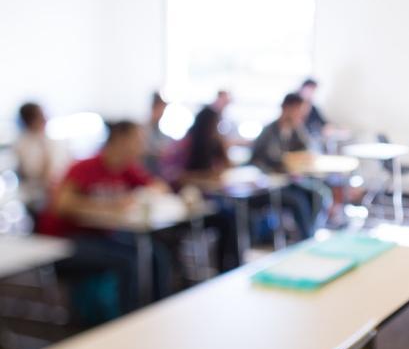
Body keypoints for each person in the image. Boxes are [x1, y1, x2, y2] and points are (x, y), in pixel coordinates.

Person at [38, 120, 174, 316]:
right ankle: (129, 320)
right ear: (120, 139)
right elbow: (61, 205)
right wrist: (108, 205)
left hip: (100, 235)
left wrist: (137, 196)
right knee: (129, 260)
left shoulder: (127, 168)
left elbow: (159, 187)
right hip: (65, 240)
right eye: (138, 140)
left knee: (155, 254)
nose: (143, 146)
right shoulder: (85, 167)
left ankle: (159, 311)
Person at [160, 106, 240, 272]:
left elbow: (228, 167)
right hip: (182, 205)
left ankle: (227, 267)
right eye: (215, 125)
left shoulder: (212, 145)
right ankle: (224, 267)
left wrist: (223, 144)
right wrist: (203, 177)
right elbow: (173, 176)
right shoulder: (185, 144)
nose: (216, 130)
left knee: (231, 217)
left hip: (205, 203)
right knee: (227, 218)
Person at [250, 93, 326, 239]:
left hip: (288, 181)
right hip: (269, 185)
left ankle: (308, 232)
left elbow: (308, 150)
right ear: (286, 108)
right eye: (297, 110)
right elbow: (267, 160)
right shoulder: (269, 131)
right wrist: (288, 163)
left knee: (317, 194)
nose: (301, 114)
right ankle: (306, 238)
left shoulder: (295, 129)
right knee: (298, 201)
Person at [13, 102, 70, 225]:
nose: (45, 118)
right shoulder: (22, 144)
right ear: (30, 119)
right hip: (36, 196)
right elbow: (33, 171)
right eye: (41, 115)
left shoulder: (53, 140)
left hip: (59, 192)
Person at [143, 91, 170, 176]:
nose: (162, 113)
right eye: (160, 109)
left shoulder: (160, 131)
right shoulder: (143, 130)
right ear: (154, 108)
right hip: (145, 170)